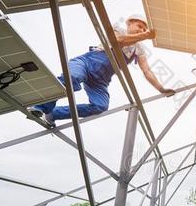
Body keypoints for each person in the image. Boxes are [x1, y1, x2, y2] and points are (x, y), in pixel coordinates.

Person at [29, 14, 175, 126]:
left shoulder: (139, 49)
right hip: (87, 63)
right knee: (72, 77)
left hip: (101, 80)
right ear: (129, 23)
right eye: (139, 26)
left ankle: (54, 114)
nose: (142, 30)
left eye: (144, 29)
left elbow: (147, 71)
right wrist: (144, 35)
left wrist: (161, 89)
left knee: (100, 106)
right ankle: (41, 107)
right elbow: (117, 41)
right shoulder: (119, 29)